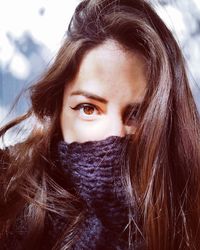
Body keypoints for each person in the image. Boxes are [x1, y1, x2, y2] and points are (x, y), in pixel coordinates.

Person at [0, 0, 200, 249]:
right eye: (89, 109)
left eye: (136, 114)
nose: (113, 133)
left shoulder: (189, 213)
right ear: (58, 109)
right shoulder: (7, 187)